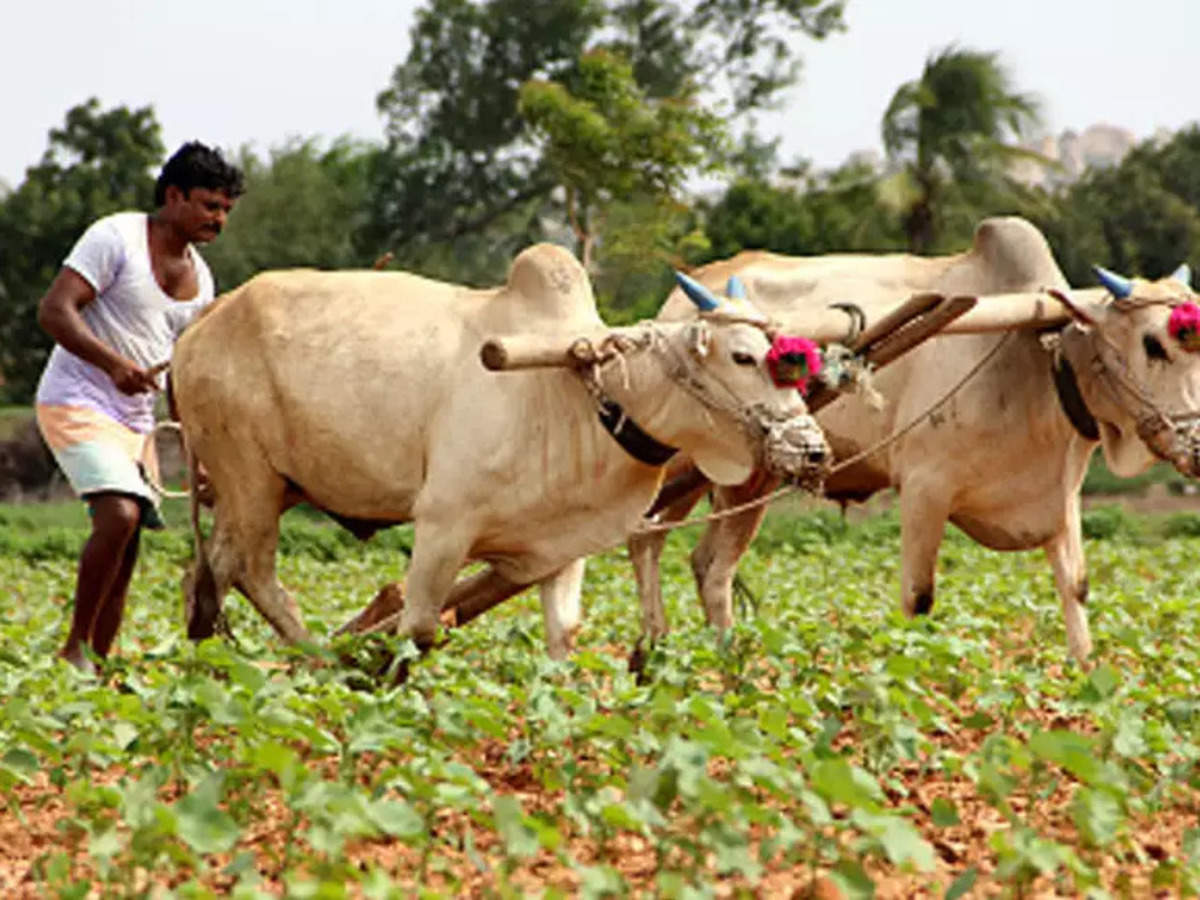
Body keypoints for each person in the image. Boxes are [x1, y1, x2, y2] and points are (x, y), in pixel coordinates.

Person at [34, 141, 244, 673]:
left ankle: (99, 663)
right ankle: (75, 648)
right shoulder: (115, 238)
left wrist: (198, 458)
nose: (218, 219)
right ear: (173, 196)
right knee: (119, 515)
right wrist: (113, 365)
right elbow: (55, 311)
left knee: (127, 545)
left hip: (136, 421)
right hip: (77, 398)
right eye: (208, 205)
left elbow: (182, 375)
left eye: (225, 210)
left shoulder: (203, 280)